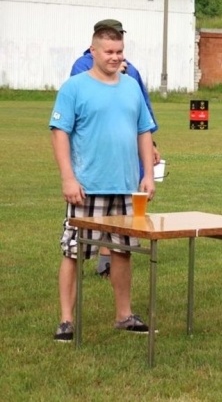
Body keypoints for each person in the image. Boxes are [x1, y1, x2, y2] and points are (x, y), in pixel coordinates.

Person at [50, 23, 156, 341]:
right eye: (108, 51)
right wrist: (68, 178)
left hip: (125, 188)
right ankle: (67, 320)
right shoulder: (74, 88)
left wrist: (148, 175)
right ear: (93, 51)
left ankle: (124, 316)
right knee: (73, 253)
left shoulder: (131, 86)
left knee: (122, 252)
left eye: (119, 51)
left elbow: (144, 132)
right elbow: (59, 134)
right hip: (87, 187)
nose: (114, 57)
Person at [71, 19, 161, 277]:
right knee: (82, 238)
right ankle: (101, 260)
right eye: (109, 49)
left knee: (123, 233)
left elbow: (141, 110)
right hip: (93, 166)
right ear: (96, 45)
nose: (116, 55)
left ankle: (111, 268)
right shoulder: (81, 67)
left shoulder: (131, 71)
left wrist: (151, 144)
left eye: (119, 45)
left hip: (125, 169)